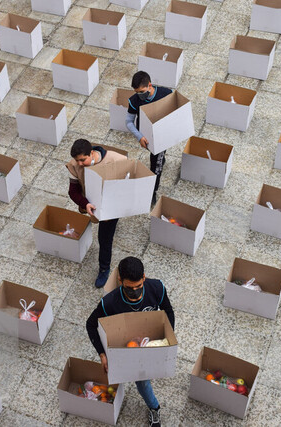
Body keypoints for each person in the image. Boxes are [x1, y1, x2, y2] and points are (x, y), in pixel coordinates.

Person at [86, 256, 175, 427]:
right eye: (129, 288)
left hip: (150, 342)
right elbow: (91, 325)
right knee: (140, 379)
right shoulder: (109, 302)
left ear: (144, 277)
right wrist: (102, 354)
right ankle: (154, 407)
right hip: (124, 346)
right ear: (120, 280)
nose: (134, 292)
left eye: (138, 287)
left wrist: (168, 337)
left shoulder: (157, 288)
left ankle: (154, 408)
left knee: (142, 381)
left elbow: (168, 311)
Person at [66, 138, 127, 288]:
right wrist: (85, 203)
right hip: (92, 202)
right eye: (76, 160)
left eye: (82, 160)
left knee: (104, 238)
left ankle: (104, 269)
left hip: (113, 202)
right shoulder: (74, 165)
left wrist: (112, 210)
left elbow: (126, 185)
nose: (79, 163)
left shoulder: (117, 160)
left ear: (92, 153)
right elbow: (73, 191)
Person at [126, 71, 173, 206]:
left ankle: (153, 190)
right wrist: (139, 136)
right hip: (147, 136)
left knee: (156, 165)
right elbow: (129, 121)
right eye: (137, 92)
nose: (140, 95)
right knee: (157, 158)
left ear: (150, 85)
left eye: (142, 91)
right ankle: (160, 159)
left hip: (162, 135)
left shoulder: (166, 94)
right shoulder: (134, 101)